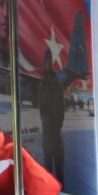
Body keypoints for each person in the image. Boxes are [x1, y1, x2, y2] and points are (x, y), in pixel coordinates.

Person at [38, 49, 65, 183]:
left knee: (59, 161)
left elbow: (61, 103)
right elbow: (41, 105)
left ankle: (61, 185)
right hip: (48, 126)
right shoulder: (42, 82)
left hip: (56, 126)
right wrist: (46, 120)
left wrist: (59, 122)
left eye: (50, 59)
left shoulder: (56, 81)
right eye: (46, 60)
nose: (48, 62)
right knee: (48, 160)